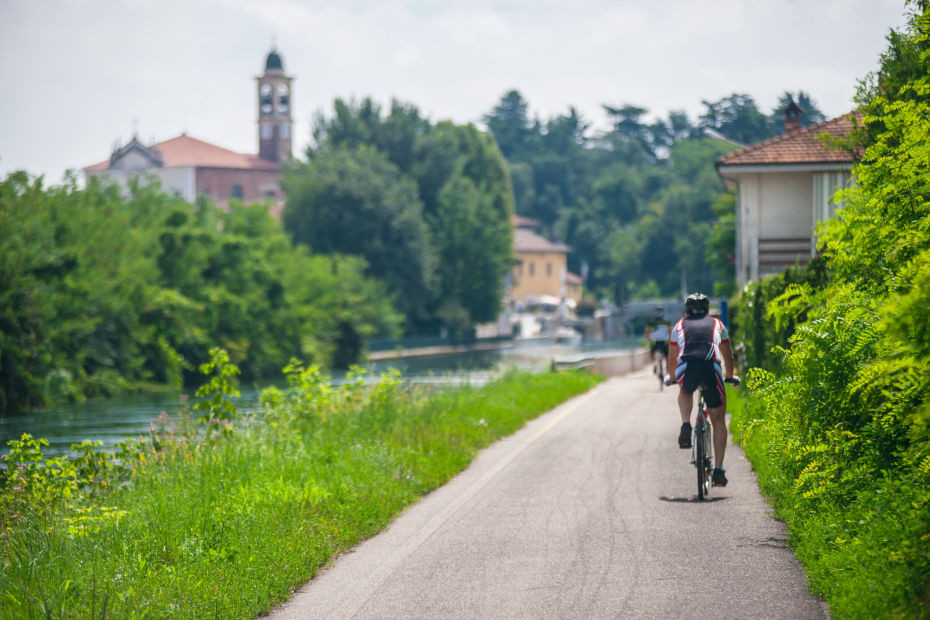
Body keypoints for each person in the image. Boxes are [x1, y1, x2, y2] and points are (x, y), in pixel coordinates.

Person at [664, 293, 740, 487]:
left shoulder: (678, 326)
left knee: (685, 390)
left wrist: (672, 378)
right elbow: (728, 356)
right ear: (707, 310)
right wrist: (729, 375)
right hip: (710, 368)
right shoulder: (718, 325)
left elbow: (672, 359)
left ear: (687, 311)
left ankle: (685, 424)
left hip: (687, 367)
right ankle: (720, 470)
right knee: (718, 418)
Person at [644, 307, 671, 373]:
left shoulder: (652, 322)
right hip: (663, 341)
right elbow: (670, 331)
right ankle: (666, 372)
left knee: (652, 353)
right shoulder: (666, 321)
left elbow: (646, 332)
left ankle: (655, 364)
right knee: (667, 357)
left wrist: (649, 339)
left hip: (656, 341)